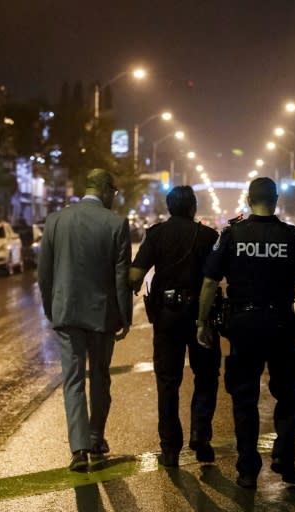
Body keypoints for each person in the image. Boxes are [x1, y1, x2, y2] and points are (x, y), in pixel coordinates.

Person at [196, 177, 295, 489]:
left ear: (248, 199)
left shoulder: (232, 234)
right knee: (288, 394)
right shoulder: (291, 237)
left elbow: (210, 282)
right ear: (276, 199)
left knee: (244, 398)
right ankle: (284, 457)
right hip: (281, 324)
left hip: (244, 326)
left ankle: (247, 469)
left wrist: (202, 322)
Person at [37, 168, 132, 472]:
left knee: (73, 380)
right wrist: (125, 316)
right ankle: (95, 437)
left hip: (66, 313)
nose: (114, 198)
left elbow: (44, 274)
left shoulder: (55, 221)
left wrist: (52, 309)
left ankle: (78, 448)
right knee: (100, 377)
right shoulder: (116, 223)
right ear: (105, 191)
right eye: (113, 193)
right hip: (102, 315)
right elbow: (121, 278)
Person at [129, 186, 221, 468]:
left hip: (167, 317)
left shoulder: (156, 234)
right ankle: (200, 436)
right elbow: (218, 277)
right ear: (193, 207)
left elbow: (135, 275)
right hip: (200, 315)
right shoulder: (208, 236)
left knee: (168, 381)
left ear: (169, 207)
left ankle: (170, 448)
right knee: (206, 376)